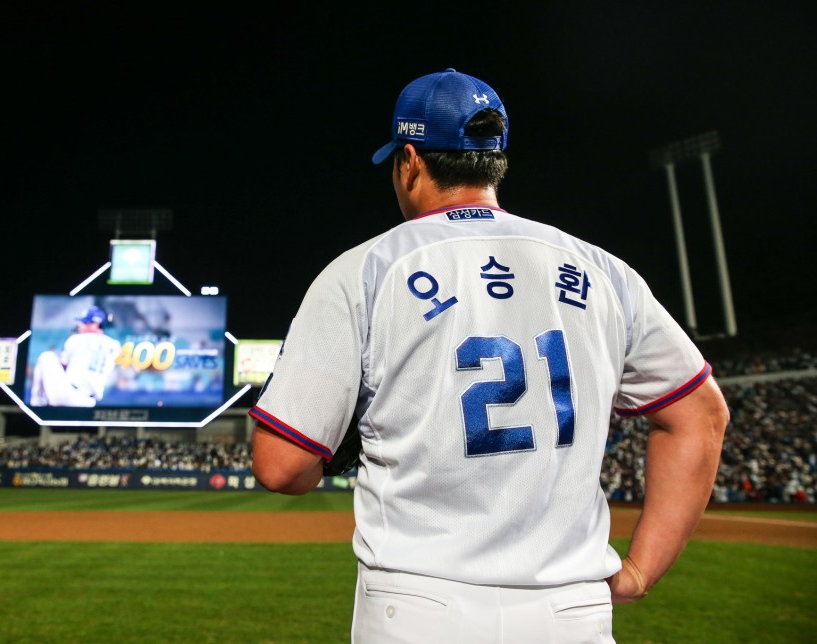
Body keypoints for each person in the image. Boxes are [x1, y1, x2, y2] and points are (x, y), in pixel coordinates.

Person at [249, 68, 729, 642]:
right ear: (494, 161)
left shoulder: (366, 270)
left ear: (409, 161)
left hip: (419, 605)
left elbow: (281, 466)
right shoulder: (601, 270)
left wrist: (343, 446)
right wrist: (641, 571)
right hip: (570, 609)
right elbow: (700, 414)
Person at [30, 305, 123, 407]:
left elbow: (64, 364)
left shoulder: (76, 339)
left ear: (95, 324)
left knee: (46, 356)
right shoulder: (115, 345)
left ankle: (38, 405)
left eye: (84, 322)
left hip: (68, 394)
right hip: (89, 403)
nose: (80, 325)